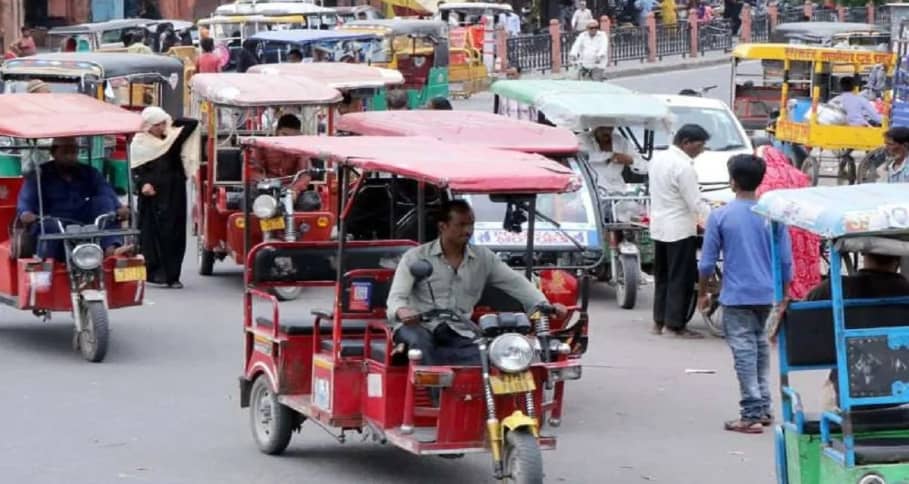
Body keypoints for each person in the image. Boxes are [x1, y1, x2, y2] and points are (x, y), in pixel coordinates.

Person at [387, 199, 568, 367]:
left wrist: (544, 305)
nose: (468, 230)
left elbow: (517, 283)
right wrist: (402, 310)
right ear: (443, 226)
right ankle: (432, 398)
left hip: (460, 329)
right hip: (418, 327)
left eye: (471, 224)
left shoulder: (484, 258)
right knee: (421, 344)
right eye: (461, 225)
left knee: (491, 356)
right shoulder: (415, 257)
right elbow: (396, 298)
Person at [698, 154, 792, 434]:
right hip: (768, 294)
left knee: (744, 352)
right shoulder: (772, 216)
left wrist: (703, 293)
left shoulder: (720, 215)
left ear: (733, 181)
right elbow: (786, 260)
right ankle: (763, 407)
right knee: (761, 348)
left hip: (737, 295)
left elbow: (706, 263)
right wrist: (784, 294)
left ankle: (751, 413)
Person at [17, 138, 131, 260]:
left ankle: (111, 249)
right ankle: (47, 264)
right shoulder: (39, 174)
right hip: (52, 220)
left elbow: (105, 190)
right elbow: (26, 199)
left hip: (82, 219)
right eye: (65, 152)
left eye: (74, 152)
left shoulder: (89, 172)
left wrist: (118, 207)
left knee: (103, 202)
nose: (70, 157)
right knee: (49, 226)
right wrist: (26, 213)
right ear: (53, 153)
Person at [649, 124, 709, 337]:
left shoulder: (657, 159)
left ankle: (659, 321)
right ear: (686, 143)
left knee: (663, 276)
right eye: (699, 145)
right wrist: (713, 220)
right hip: (680, 229)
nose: (701, 150)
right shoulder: (684, 167)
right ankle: (674, 324)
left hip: (659, 226)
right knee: (680, 278)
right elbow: (695, 203)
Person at [130, 107, 200, 289]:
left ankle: (172, 276)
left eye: (163, 123)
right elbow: (136, 170)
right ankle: (153, 272)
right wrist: (143, 184)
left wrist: (171, 122)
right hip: (151, 197)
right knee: (151, 235)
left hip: (174, 193)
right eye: (157, 124)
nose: (161, 127)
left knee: (174, 233)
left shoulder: (171, 140)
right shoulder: (139, 143)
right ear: (148, 126)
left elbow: (191, 124)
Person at [251, 114, 312, 194]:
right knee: (246, 197)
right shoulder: (262, 146)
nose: (287, 140)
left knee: (310, 201)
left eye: (292, 137)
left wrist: (294, 190)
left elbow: (305, 174)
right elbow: (254, 171)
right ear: (276, 131)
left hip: (291, 189)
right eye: (284, 134)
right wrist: (266, 185)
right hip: (264, 189)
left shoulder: (301, 149)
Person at [582, 125, 646, 192]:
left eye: (610, 127)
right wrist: (610, 156)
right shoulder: (581, 140)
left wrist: (631, 161)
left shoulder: (621, 141)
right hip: (589, 191)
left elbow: (644, 167)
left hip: (618, 191)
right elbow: (581, 158)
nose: (606, 131)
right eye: (602, 127)